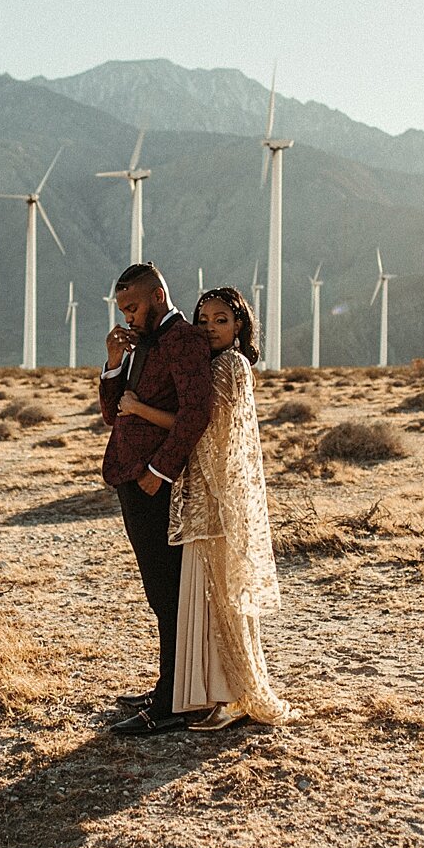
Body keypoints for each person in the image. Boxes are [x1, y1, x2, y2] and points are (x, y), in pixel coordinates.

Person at [96, 262, 215, 738]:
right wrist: (110, 362)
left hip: (155, 482)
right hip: (129, 477)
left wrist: (158, 471)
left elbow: (197, 412)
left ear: (159, 296)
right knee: (157, 592)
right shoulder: (136, 343)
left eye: (133, 307)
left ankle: (172, 704)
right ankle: (170, 685)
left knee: (167, 592)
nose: (126, 316)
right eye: (121, 309)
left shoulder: (183, 340)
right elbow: (112, 413)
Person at [168, 287, 291, 726]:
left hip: (217, 495)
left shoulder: (228, 366)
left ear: (240, 325)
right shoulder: (217, 365)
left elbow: (202, 425)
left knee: (222, 595)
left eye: (220, 320)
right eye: (203, 321)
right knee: (210, 594)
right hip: (207, 491)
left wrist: (140, 409)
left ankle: (233, 694)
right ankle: (211, 690)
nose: (210, 328)